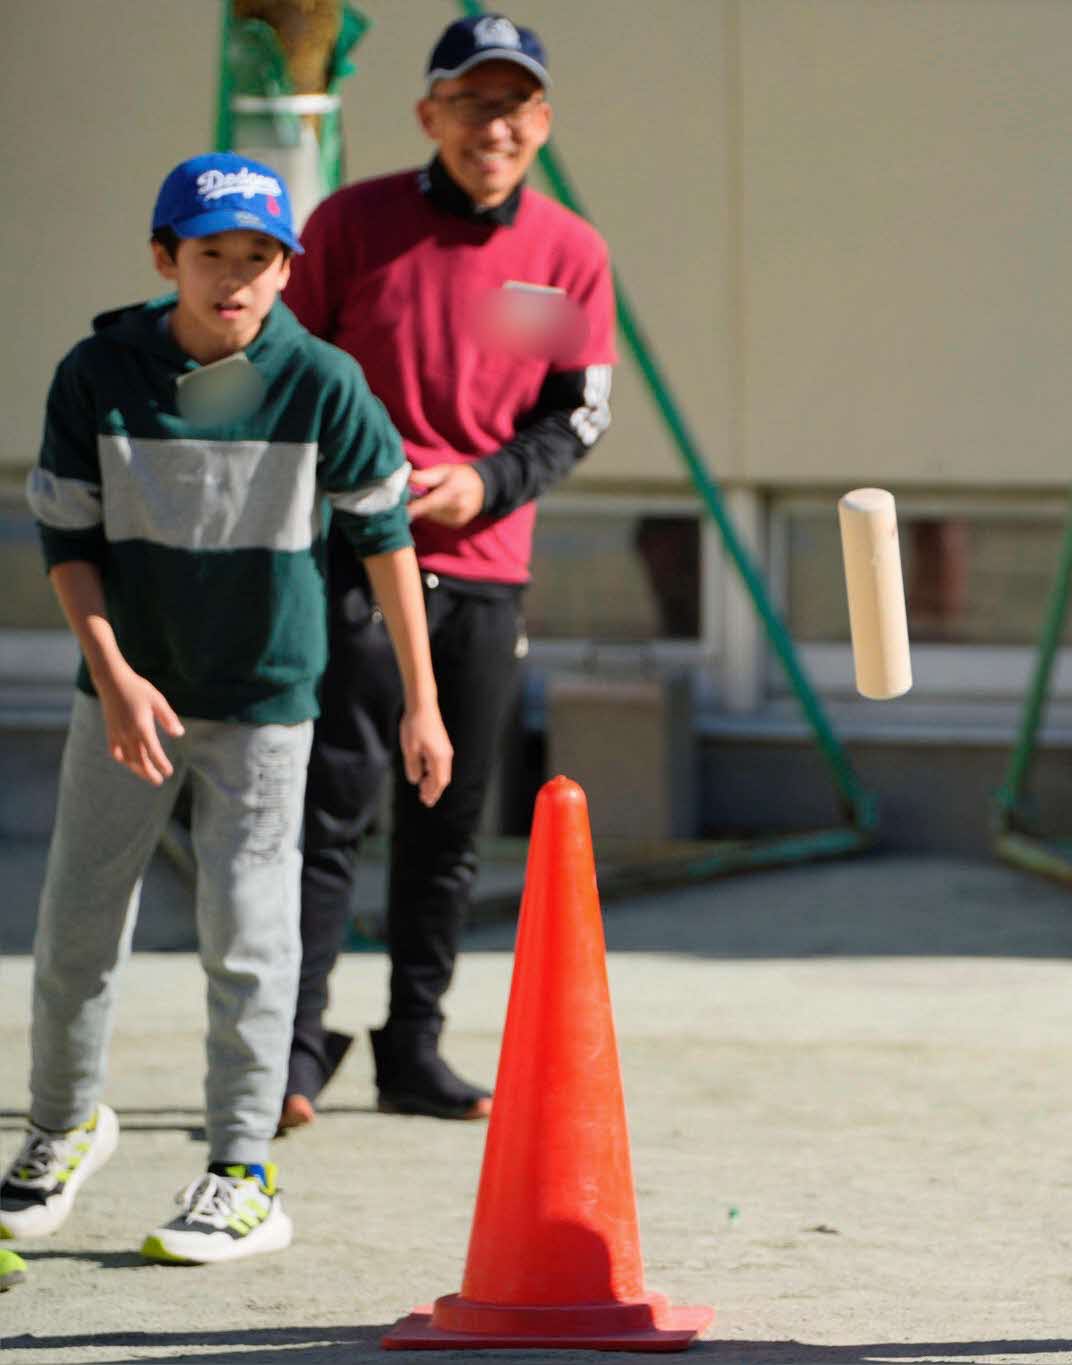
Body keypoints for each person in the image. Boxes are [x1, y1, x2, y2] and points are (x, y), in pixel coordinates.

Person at [2, 154, 451, 1264]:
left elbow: (386, 541)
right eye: (212, 257)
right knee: (73, 929)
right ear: (166, 259)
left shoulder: (325, 382)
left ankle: (241, 1171)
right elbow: (67, 540)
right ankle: (60, 1129)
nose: (236, 281)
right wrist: (112, 671)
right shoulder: (98, 371)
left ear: (287, 269)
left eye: (260, 259)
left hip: (264, 705)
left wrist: (421, 706)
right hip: (127, 700)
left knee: (249, 939)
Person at [279, 12, 616, 1126]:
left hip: (484, 569)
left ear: (544, 122)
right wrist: (357, 482)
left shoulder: (570, 255)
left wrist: (487, 483)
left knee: (448, 824)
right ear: (430, 115)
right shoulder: (348, 224)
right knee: (323, 812)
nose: (495, 125)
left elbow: (577, 415)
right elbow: (287, 374)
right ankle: (290, 1051)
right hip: (343, 565)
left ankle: (412, 1049)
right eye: (472, 102)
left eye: (515, 104)